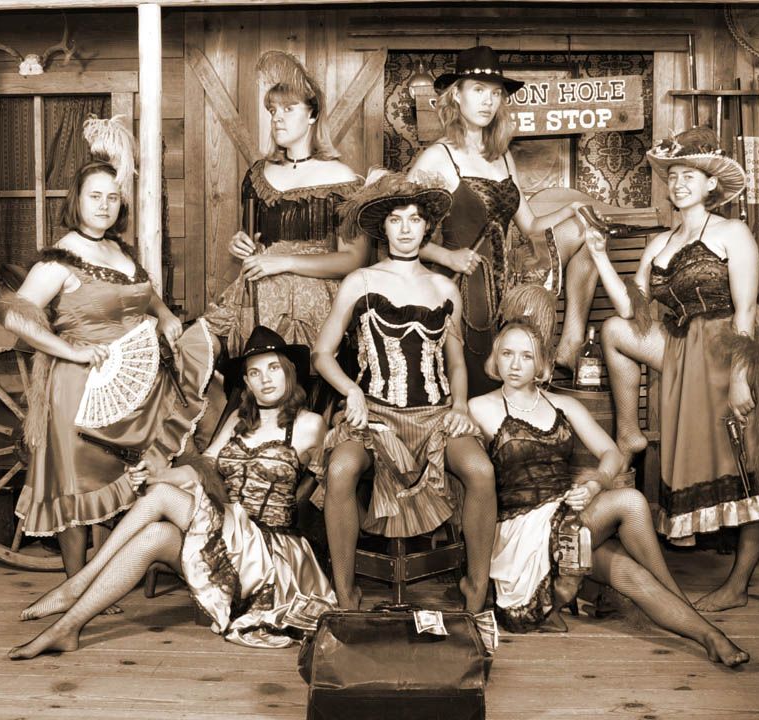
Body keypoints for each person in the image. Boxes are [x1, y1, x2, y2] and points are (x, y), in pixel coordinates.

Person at [8, 326, 335, 659]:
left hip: (269, 554)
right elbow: (205, 467)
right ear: (247, 383)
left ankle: (77, 584)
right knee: (155, 534)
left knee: (162, 494)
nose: (265, 379)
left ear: (289, 372)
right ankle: (68, 628)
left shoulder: (311, 425)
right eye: (255, 372)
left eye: (274, 368)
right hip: (228, 543)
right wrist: (157, 473)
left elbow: (325, 492)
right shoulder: (239, 418)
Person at [581, 126, 759, 611]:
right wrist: (598, 257)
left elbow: (746, 309)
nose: (679, 183)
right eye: (674, 175)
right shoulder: (659, 242)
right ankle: (628, 432)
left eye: (690, 176)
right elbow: (629, 310)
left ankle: (737, 584)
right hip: (684, 348)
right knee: (614, 332)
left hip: (734, 347)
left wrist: (742, 376)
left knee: (748, 464)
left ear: (710, 186)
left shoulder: (732, 232)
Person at [0, 116, 214, 582]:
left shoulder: (120, 250)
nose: (105, 205)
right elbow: (13, 313)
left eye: (113, 198)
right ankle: (76, 584)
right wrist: (67, 352)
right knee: (78, 484)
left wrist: (167, 315)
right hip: (80, 386)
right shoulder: (60, 257)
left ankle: (114, 573)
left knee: (125, 478)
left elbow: (142, 292)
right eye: (96, 196)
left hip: (135, 383)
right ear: (77, 201)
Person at [468, 312, 749, 666]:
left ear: (540, 362)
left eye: (526, 356)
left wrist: (596, 482)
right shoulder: (478, 408)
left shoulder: (563, 405)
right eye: (507, 354)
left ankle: (711, 637)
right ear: (495, 358)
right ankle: (679, 599)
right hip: (522, 534)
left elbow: (612, 454)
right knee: (630, 502)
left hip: (570, 517)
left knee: (632, 576)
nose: (515, 364)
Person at [311, 172, 496, 613]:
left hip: (435, 416)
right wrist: (351, 392)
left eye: (415, 220)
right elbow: (322, 354)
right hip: (372, 414)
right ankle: (347, 594)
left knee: (482, 472)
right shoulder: (360, 283)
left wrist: (460, 406)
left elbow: (455, 363)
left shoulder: (444, 288)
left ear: (427, 227)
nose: (407, 229)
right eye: (397, 220)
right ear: (383, 228)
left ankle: (475, 589)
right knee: (339, 471)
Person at [409, 45, 598, 395]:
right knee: (476, 378)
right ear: (456, 96)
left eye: (495, 94)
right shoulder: (436, 157)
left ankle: (571, 344)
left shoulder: (502, 157)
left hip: (505, 282)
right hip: (464, 283)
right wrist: (448, 257)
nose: (488, 101)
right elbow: (400, 233)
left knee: (588, 229)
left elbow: (530, 225)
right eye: (478, 91)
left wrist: (574, 210)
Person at [210, 50, 364, 415]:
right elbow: (253, 242)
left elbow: (354, 259)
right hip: (259, 300)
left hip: (315, 305)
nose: (277, 118)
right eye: (272, 111)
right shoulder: (257, 175)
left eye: (288, 109)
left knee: (305, 391)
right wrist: (241, 243)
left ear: (312, 114)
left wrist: (285, 261)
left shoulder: (342, 178)